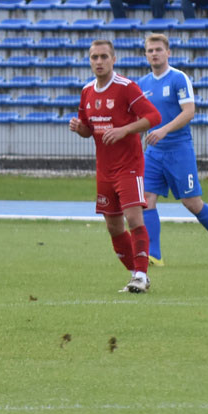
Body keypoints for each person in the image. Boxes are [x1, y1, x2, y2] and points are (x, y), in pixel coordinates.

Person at [69, 40, 161, 293]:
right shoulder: (87, 91)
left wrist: (124, 130)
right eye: (94, 57)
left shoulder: (126, 87)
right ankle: (136, 275)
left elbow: (154, 117)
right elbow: (89, 130)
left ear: (113, 59)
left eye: (103, 57)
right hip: (104, 169)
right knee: (113, 226)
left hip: (129, 165)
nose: (98, 62)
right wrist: (80, 129)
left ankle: (142, 274)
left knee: (133, 217)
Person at [138, 34, 208, 267]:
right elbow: (142, 119)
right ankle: (154, 255)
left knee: (191, 203)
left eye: (159, 49)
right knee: (147, 199)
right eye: (150, 50)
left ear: (168, 52)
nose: (154, 53)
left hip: (179, 150)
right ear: (146, 54)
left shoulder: (179, 78)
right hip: (153, 153)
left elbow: (189, 111)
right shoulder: (142, 84)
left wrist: (164, 131)